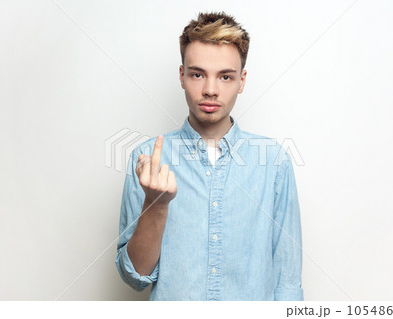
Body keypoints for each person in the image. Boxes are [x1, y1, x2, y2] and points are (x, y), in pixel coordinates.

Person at [115, 11, 303, 301]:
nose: (210, 90)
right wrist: (156, 205)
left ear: (241, 81)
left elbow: (287, 281)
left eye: (225, 77)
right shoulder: (147, 159)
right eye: (197, 74)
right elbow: (135, 276)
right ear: (182, 76)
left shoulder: (274, 162)